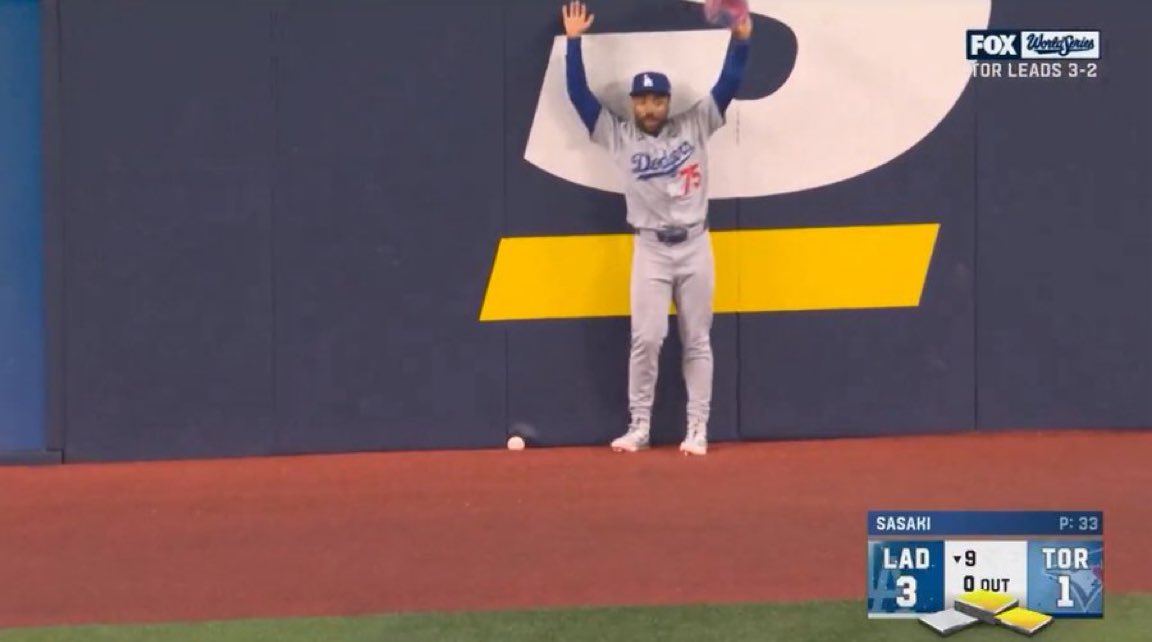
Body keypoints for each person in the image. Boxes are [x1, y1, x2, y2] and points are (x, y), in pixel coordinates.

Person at [561, 1, 751, 455]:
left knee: (697, 339)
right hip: (649, 248)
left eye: (657, 99)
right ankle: (640, 426)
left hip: (694, 244)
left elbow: (730, 82)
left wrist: (741, 38)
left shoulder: (695, 123)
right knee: (645, 339)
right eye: (642, 99)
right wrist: (572, 43)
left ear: (667, 102)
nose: (649, 106)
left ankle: (697, 428)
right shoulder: (618, 134)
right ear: (633, 103)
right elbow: (580, 97)